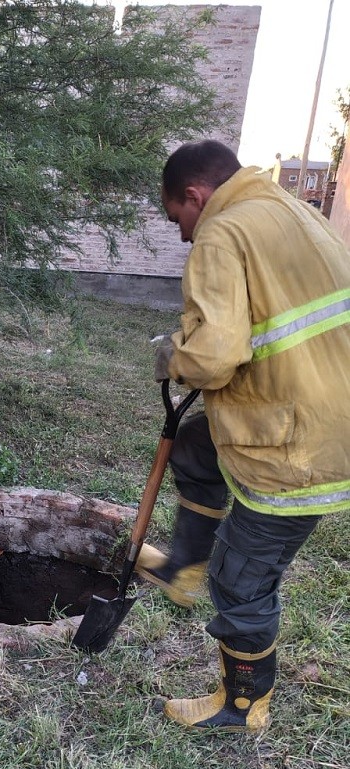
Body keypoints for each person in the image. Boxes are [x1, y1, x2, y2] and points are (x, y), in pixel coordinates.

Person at [137, 139, 350, 732]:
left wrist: (174, 358)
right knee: (196, 444)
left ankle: (243, 702)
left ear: (194, 196)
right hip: (327, 412)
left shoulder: (222, 232)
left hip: (299, 445)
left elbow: (215, 357)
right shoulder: (291, 211)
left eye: (176, 216)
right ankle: (184, 567)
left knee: (242, 576)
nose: (181, 233)